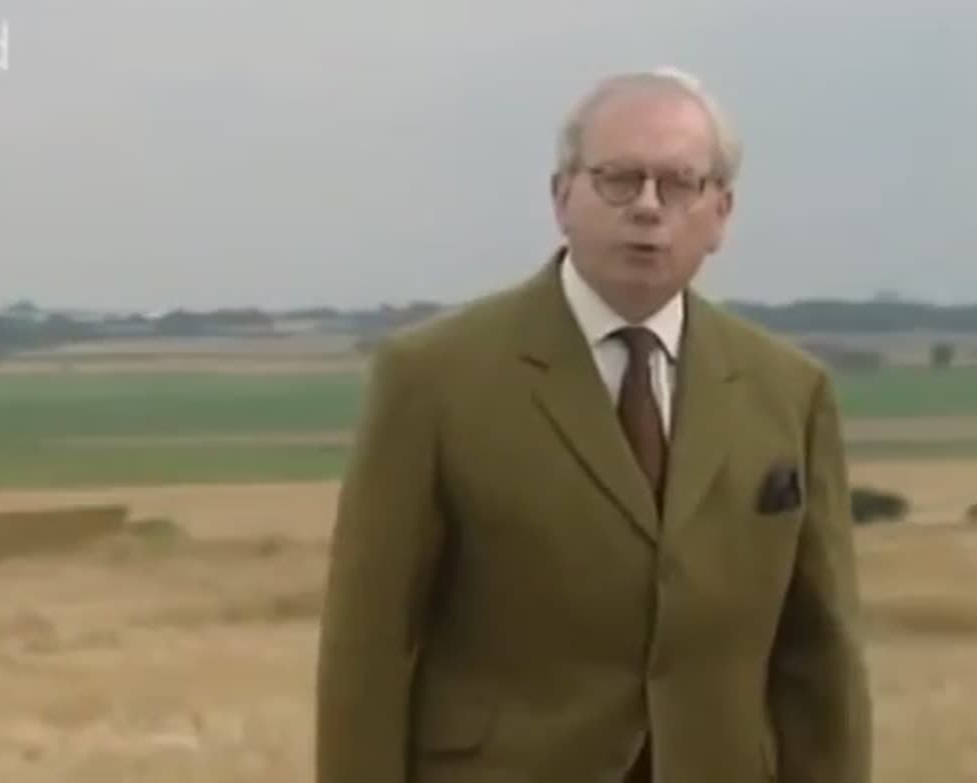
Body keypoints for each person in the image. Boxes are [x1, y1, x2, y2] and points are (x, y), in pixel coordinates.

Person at [314, 66, 873, 782]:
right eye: (619, 179)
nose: (648, 207)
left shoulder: (791, 390)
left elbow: (821, 654)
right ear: (561, 197)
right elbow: (368, 645)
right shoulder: (432, 378)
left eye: (678, 184)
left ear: (721, 213)